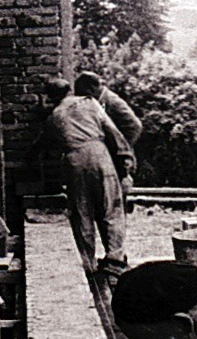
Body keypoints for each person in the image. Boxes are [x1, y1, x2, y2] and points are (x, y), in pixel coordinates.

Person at [39, 76, 134, 275]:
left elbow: (47, 147)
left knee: (82, 212)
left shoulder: (54, 116)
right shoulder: (90, 103)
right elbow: (112, 131)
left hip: (74, 161)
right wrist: (126, 160)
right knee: (112, 208)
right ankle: (115, 261)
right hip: (100, 155)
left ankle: (88, 263)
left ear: (51, 97)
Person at [74, 71, 141, 214]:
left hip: (116, 157)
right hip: (104, 155)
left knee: (116, 198)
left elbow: (135, 126)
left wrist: (121, 149)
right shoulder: (97, 101)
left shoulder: (112, 101)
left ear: (91, 89)